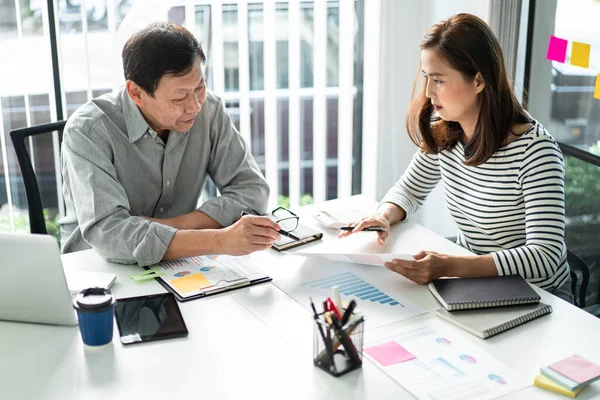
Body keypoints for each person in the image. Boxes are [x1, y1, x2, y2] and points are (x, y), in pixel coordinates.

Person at [340, 14, 573, 302]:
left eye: (438, 80)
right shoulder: (447, 135)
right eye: (427, 78)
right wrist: (383, 216)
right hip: (475, 284)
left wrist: (449, 265)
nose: (428, 92)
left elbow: (544, 256)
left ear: (478, 80)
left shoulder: (535, 152)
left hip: (541, 296)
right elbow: (408, 190)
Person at [60, 22, 281, 266]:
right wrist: (218, 240)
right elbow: (110, 233)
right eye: (179, 97)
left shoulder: (209, 110)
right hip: (97, 271)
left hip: (178, 262)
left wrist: (177, 226)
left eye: (200, 87)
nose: (195, 105)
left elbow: (252, 191)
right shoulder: (88, 131)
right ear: (136, 93)